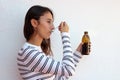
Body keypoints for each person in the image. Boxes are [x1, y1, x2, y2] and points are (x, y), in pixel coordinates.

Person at [17, 5, 90, 80]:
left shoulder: (38, 51)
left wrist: (78, 53)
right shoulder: (29, 53)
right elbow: (68, 70)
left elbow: (59, 77)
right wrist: (65, 35)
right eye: (48, 22)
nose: (52, 27)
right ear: (34, 23)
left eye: (52, 22)